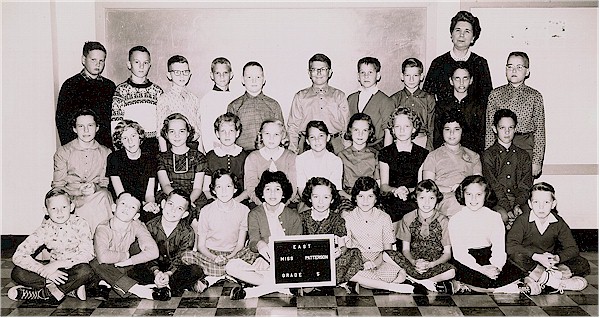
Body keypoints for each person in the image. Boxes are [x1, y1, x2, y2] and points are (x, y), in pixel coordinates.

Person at [226, 170, 303, 300]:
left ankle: (252, 292)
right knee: (230, 267)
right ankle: (282, 286)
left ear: (283, 193)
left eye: (277, 189)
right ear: (262, 192)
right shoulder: (254, 214)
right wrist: (261, 247)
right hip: (261, 262)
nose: (272, 194)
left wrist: (273, 260)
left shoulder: (294, 216)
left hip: (286, 263)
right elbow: (253, 241)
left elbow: (295, 247)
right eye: (268, 189)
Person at [9, 188, 94, 302]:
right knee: (17, 273)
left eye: (64, 207)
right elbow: (18, 255)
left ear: (72, 207)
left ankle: (44, 293)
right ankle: (69, 289)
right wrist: (44, 270)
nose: (60, 212)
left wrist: (59, 264)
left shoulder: (80, 224)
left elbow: (88, 254)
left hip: (74, 268)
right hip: (52, 274)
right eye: (54, 208)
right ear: (46, 210)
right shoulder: (44, 229)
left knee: (86, 271)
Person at [447, 175, 529, 294]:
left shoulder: (494, 217)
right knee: (474, 277)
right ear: (462, 194)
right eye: (469, 194)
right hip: (466, 259)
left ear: (486, 195)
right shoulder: (456, 220)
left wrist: (496, 267)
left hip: (488, 256)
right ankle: (501, 288)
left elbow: (499, 249)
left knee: (511, 272)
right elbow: (460, 253)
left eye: (479, 194)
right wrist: (481, 269)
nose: (473, 199)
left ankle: (495, 287)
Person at [506, 182, 590, 295]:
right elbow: (510, 245)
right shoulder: (522, 220)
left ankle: (544, 280)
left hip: (549, 264)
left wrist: (557, 258)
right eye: (536, 202)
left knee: (582, 263)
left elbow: (572, 248)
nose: (541, 207)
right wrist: (536, 256)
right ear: (530, 204)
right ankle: (557, 282)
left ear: (553, 204)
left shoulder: (558, 222)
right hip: (529, 260)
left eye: (546, 202)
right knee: (515, 258)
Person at [342, 176, 417, 294]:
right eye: (361, 196)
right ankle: (390, 286)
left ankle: (367, 283)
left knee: (401, 274)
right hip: (358, 260)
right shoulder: (348, 219)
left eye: (370, 196)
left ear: (376, 199)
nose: (365, 201)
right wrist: (364, 261)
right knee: (349, 271)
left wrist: (377, 262)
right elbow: (349, 248)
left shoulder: (384, 218)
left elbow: (387, 250)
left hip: (380, 258)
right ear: (355, 198)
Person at [182, 170, 255, 286]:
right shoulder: (206, 210)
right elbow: (201, 245)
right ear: (214, 191)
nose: (224, 191)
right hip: (210, 255)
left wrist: (228, 257)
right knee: (186, 256)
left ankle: (214, 276)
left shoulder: (244, 210)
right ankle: (231, 275)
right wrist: (214, 257)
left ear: (235, 189)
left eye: (228, 186)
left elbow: (240, 244)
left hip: (234, 254)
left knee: (252, 252)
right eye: (219, 187)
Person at [52, 108, 113, 234]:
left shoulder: (106, 153)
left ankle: (101, 242)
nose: (86, 130)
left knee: (103, 197)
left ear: (97, 127)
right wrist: (76, 192)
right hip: (70, 198)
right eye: (81, 126)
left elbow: (104, 183)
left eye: (90, 125)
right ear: (75, 129)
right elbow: (58, 185)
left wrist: (95, 187)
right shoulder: (63, 152)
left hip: (95, 197)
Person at [298, 177, 364, 294]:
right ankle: (326, 281)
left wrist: (340, 251)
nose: (320, 202)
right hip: (307, 261)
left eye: (326, 197)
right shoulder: (302, 217)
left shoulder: (337, 219)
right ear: (310, 198)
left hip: (330, 261)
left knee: (354, 253)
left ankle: (318, 282)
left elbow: (343, 246)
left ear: (332, 199)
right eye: (316, 197)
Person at [485, 51, 545, 178]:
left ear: (527, 72)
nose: (514, 71)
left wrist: (536, 161)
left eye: (519, 67)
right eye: (510, 67)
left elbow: (539, 131)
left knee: (522, 189)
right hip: (501, 147)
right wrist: (488, 157)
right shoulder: (495, 95)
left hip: (525, 145)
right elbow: (490, 129)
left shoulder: (535, 96)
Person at [140, 189, 209, 300]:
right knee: (134, 268)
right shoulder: (150, 226)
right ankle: (171, 286)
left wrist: (168, 273)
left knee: (196, 270)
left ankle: (163, 286)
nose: (173, 210)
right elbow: (147, 253)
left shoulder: (187, 232)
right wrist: (156, 272)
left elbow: (181, 258)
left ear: (184, 214)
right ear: (163, 204)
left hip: (174, 270)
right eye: (170, 204)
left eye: (179, 208)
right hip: (153, 268)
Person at [90, 192, 159, 300]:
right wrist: (126, 255)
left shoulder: (137, 225)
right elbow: (103, 257)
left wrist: (129, 261)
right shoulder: (103, 228)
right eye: (123, 203)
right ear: (114, 207)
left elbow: (154, 252)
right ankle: (137, 290)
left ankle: (110, 284)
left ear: (136, 215)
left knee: (138, 248)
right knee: (96, 262)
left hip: (122, 267)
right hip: (102, 269)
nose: (126, 208)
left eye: (132, 207)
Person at [396, 180, 456, 292]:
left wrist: (431, 264)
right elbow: (405, 250)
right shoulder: (407, 218)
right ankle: (426, 281)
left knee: (451, 271)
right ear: (416, 198)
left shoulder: (443, 221)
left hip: (434, 262)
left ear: (437, 199)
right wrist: (414, 262)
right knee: (388, 255)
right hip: (413, 261)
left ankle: (418, 281)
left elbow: (447, 253)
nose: (427, 203)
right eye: (422, 198)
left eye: (431, 198)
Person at [56, 41, 116, 149]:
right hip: (78, 148)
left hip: (104, 148)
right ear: (83, 60)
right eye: (93, 60)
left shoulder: (110, 86)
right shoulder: (70, 85)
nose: (98, 64)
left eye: (101, 61)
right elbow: (62, 120)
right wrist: (72, 147)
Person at [423, 11, 492, 103]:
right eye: (458, 30)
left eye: (467, 31)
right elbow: (426, 96)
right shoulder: (439, 63)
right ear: (451, 34)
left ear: (473, 38)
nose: (461, 35)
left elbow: (487, 97)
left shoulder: (480, 63)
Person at [422, 109, 481, 217]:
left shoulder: (474, 156)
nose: (452, 133)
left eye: (456, 129)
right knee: (459, 208)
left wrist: (463, 188)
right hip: (444, 198)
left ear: (462, 131)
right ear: (442, 131)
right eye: (447, 129)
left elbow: (479, 184)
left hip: (469, 197)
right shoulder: (433, 156)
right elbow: (427, 187)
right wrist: (450, 189)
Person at [287, 53, 350, 154]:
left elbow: (345, 126)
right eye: (315, 69)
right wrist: (292, 150)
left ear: (330, 72)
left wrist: (347, 151)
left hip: (335, 145)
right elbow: (293, 127)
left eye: (323, 69)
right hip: (307, 144)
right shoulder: (300, 96)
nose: (319, 73)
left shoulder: (339, 96)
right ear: (309, 73)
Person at [156, 113, 208, 228]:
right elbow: (165, 185)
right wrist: (177, 202)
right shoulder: (162, 157)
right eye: (172, 131)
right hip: (169, 195)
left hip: (193, 195)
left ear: (188, 133)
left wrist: (187, 202)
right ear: (166, 134)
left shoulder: (198, 156)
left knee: (197, 219)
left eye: (181, 131)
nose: (177, 135)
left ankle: (197, 243)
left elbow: (198, 188)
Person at [482, 109, 532, 227]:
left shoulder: (523, 155)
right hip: (497, 202)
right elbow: (493, 185)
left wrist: (517, 205)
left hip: (518, 202)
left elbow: (525, 185)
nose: (507, 132)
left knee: (531, 217)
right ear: (495, 129)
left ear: (515, 129)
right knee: (502, 217)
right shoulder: (488, 155)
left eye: (510, 128)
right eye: (502, 128)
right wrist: (508, 208)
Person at [379, 107, 429, 223]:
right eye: (397, 127)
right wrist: (396, 190)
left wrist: (407, 190)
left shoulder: (422, 153)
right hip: (391, 197)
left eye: (406, 126)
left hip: (413, 196)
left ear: (413, 129)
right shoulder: (385, 152)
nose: (402, 130)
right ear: (393, 129)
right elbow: (384, 186)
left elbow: (421, 184)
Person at [111, 45, 163, 155]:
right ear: (129, 64)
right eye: (137, 62)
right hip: (130, 143)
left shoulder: (157, 91)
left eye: (145, 63)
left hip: (152, 144)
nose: (141, 66)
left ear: (149, 65)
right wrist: (118, 148)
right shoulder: (121, 91)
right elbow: (116, 123)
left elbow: (161, 123)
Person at [106, 120, 159, 223]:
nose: (130, 142)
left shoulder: (150, 159)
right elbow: (121, 194)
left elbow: (149, 194)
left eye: (133, 136)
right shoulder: (114, 158)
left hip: (143, 203)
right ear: (120, 141)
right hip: (123, 203)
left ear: (140, 137)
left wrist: (150, 205)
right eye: (125, 138)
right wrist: (137, 206)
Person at [227, 61, 284, 151]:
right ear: (243, 80)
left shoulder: (273, 105)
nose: (254, 81)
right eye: (249, 77)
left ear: (263, 79)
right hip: (242, 154)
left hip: (268, 153)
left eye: (258, 77)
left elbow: (281, 132)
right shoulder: (234, 106)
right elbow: (229, 134)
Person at [434, 61, 486, 154]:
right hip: (446, 153)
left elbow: (481, 136)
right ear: (451, 81)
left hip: (470, 154)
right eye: (457, 78)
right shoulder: (442, 105)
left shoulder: (478, 106)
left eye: (465, 78)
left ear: (471, 80)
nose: (461, 82)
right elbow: (437, 135)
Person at [244, 120, 297, 206]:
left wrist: (281, 206)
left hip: (285, 204)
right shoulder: (252, 158)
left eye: (276, 134)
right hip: (259, 205)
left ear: (282, 136)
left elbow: (293, 188)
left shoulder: (290, 157)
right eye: (267, 134)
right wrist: (265, 206)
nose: (271, 138)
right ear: (260, 135)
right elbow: (251, 188)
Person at [157, 55, 203, 152]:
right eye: (177, 72)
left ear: (190, 74)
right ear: (169, 75)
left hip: (193, 146)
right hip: (174, 147)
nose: (182, 76)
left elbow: (199, 129)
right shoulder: (164, 99)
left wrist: (201, 151)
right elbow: (160, 132)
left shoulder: (194, 98)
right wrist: (165, 155)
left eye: (185, 72)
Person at [346, 57, 395, 150]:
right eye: (362, 73)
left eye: (370, 73)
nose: (366, 76)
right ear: (358, 76)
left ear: (378, 76)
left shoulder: (385, 101)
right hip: (354, 148)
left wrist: (385, 156)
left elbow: (388, 131)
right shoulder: (351, 98)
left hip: (375, 149)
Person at [390, 58, 435, 151]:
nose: (411, 79)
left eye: (415, 75)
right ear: (402, 76)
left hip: (422, 140)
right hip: (399, 141)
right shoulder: (395, 99)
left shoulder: (428, 98)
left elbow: (431, 127)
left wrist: (429, 148)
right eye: (407, 75)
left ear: (421, 76)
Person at [204, 113, 249, 203]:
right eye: (223, 131)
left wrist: (236, 201)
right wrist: (217, 202)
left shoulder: (245, 156)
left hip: (239, 201)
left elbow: (248, 189)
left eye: (231, 131)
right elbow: (205, 189)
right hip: (215, 201)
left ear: (238, 133)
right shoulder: (210, 157)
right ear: (217, 133)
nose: (227, 135)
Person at [338, 113, 379, 200]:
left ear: (370, 132)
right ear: (350, 131)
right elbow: (338, 188)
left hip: (369, 197)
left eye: (364, 130)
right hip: (348, 197)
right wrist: (351, 198)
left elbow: (378, 182)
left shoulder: (375, 155)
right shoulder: (341, 156)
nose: (360, 134)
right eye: (356, 130)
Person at [295, 121, 343, 196]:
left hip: (329, 200)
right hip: (308, 199)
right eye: (312, 137)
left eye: (321, 136)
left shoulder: (336, 161)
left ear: (328, 137)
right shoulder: (300, 159)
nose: (317, 140)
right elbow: (301, 188)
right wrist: (311, 203)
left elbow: (335, 189)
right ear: (307, 141)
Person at [199, 57, 237, 152]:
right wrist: (210, 149)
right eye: (217, 73)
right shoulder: (207, 99)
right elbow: (205, 128)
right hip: (215, 147)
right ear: (212, 75)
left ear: (231, 74)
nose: (222, 76)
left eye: (225, 73)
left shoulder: (235, 98)